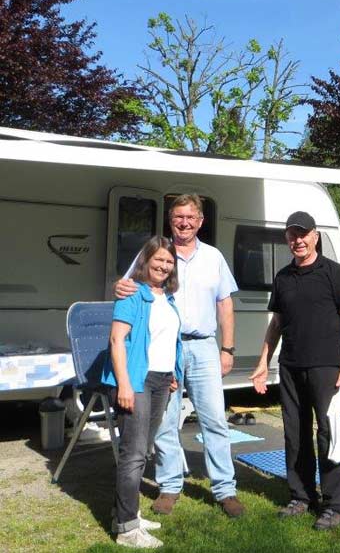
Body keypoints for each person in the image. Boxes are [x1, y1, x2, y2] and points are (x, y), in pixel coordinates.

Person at [114, 194, 244, 518]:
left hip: (204, 346)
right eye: (178, 217)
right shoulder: (158, 253)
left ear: (200, 221)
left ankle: (225, 490)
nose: (184, 223)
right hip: (163, 348)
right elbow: (127, 284)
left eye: (190, 217)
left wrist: (227, 349)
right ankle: (170, 486)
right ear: (170, 221)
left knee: (214, 419)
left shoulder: (214, 257)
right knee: (165, 421)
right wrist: (120, 286)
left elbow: (225, 304)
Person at [250, 211, 340, 531]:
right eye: (292, 235)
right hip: (290, 366)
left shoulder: (334, 272)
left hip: (327, 367)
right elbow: (277, 323)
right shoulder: (283, 277)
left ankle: (335, 504)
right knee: (295, 434)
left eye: (303, 234)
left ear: (315, 237)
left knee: (328, 433)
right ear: (287, 239)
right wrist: (262, 362)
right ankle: (301, 496)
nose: (298, 240)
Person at [103, 236, 183, 549]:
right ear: (146, 260)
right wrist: (124, 384)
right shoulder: (132, 293)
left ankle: (125, 513)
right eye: (158, 259)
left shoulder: (167, 297)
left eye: (169, 261)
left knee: (142, 452)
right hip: (136, 381)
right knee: (133, 455)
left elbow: (165, 341)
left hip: (161, 381)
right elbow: (116, 340)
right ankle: (127, 529)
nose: (163, 266)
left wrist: (171, 374)